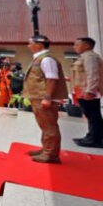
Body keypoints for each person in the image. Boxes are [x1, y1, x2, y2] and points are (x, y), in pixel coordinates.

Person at [24, 35, 67, 164]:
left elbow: (52, 78)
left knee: (49, 126)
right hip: (38, 97)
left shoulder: (47, 59)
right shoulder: (39, 59)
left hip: (43, 97)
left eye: (30, 43)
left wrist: (47, 97)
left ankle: (51, 154)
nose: (28, 46)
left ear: (39, 44)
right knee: (44, 124)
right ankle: (46, 149)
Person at [71, 37, 103, 148]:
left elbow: (93, 74)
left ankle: (96, 139)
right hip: (82, 90)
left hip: (88, 91)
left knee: (94, 115)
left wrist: (90, 90)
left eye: (77, 44)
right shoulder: (84, 57)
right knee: (90, 115)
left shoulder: (90, 57)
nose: (74, 47)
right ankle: (91, 136)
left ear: (87, 45)